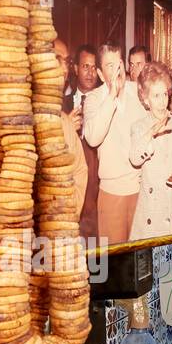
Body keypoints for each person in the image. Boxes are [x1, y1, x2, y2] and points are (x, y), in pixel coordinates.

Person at [84, 43, 145, 246]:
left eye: (119, 63)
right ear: (100, 74)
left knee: (140, 260)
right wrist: (111, 95)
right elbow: (93, 138)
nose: (118, 70)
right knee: (116, 264)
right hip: (111, 195)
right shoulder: (93, 99)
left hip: (140, 190)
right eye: (110, 66)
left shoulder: (137, 91)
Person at [128, 62, 172, 240]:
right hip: (150, 212)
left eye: (165, 94)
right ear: (145, 99)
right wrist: (151, 133)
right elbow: (134, 158)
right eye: (156, 96)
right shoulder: (139, 128)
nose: (163, 101)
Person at [73, 43, 101, 240]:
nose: (90, 73)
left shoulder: (105, 104)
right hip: (71, 192)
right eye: (85, 66)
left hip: (97, 195)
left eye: (93, 67)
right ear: (75, 68)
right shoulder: (61, 104)